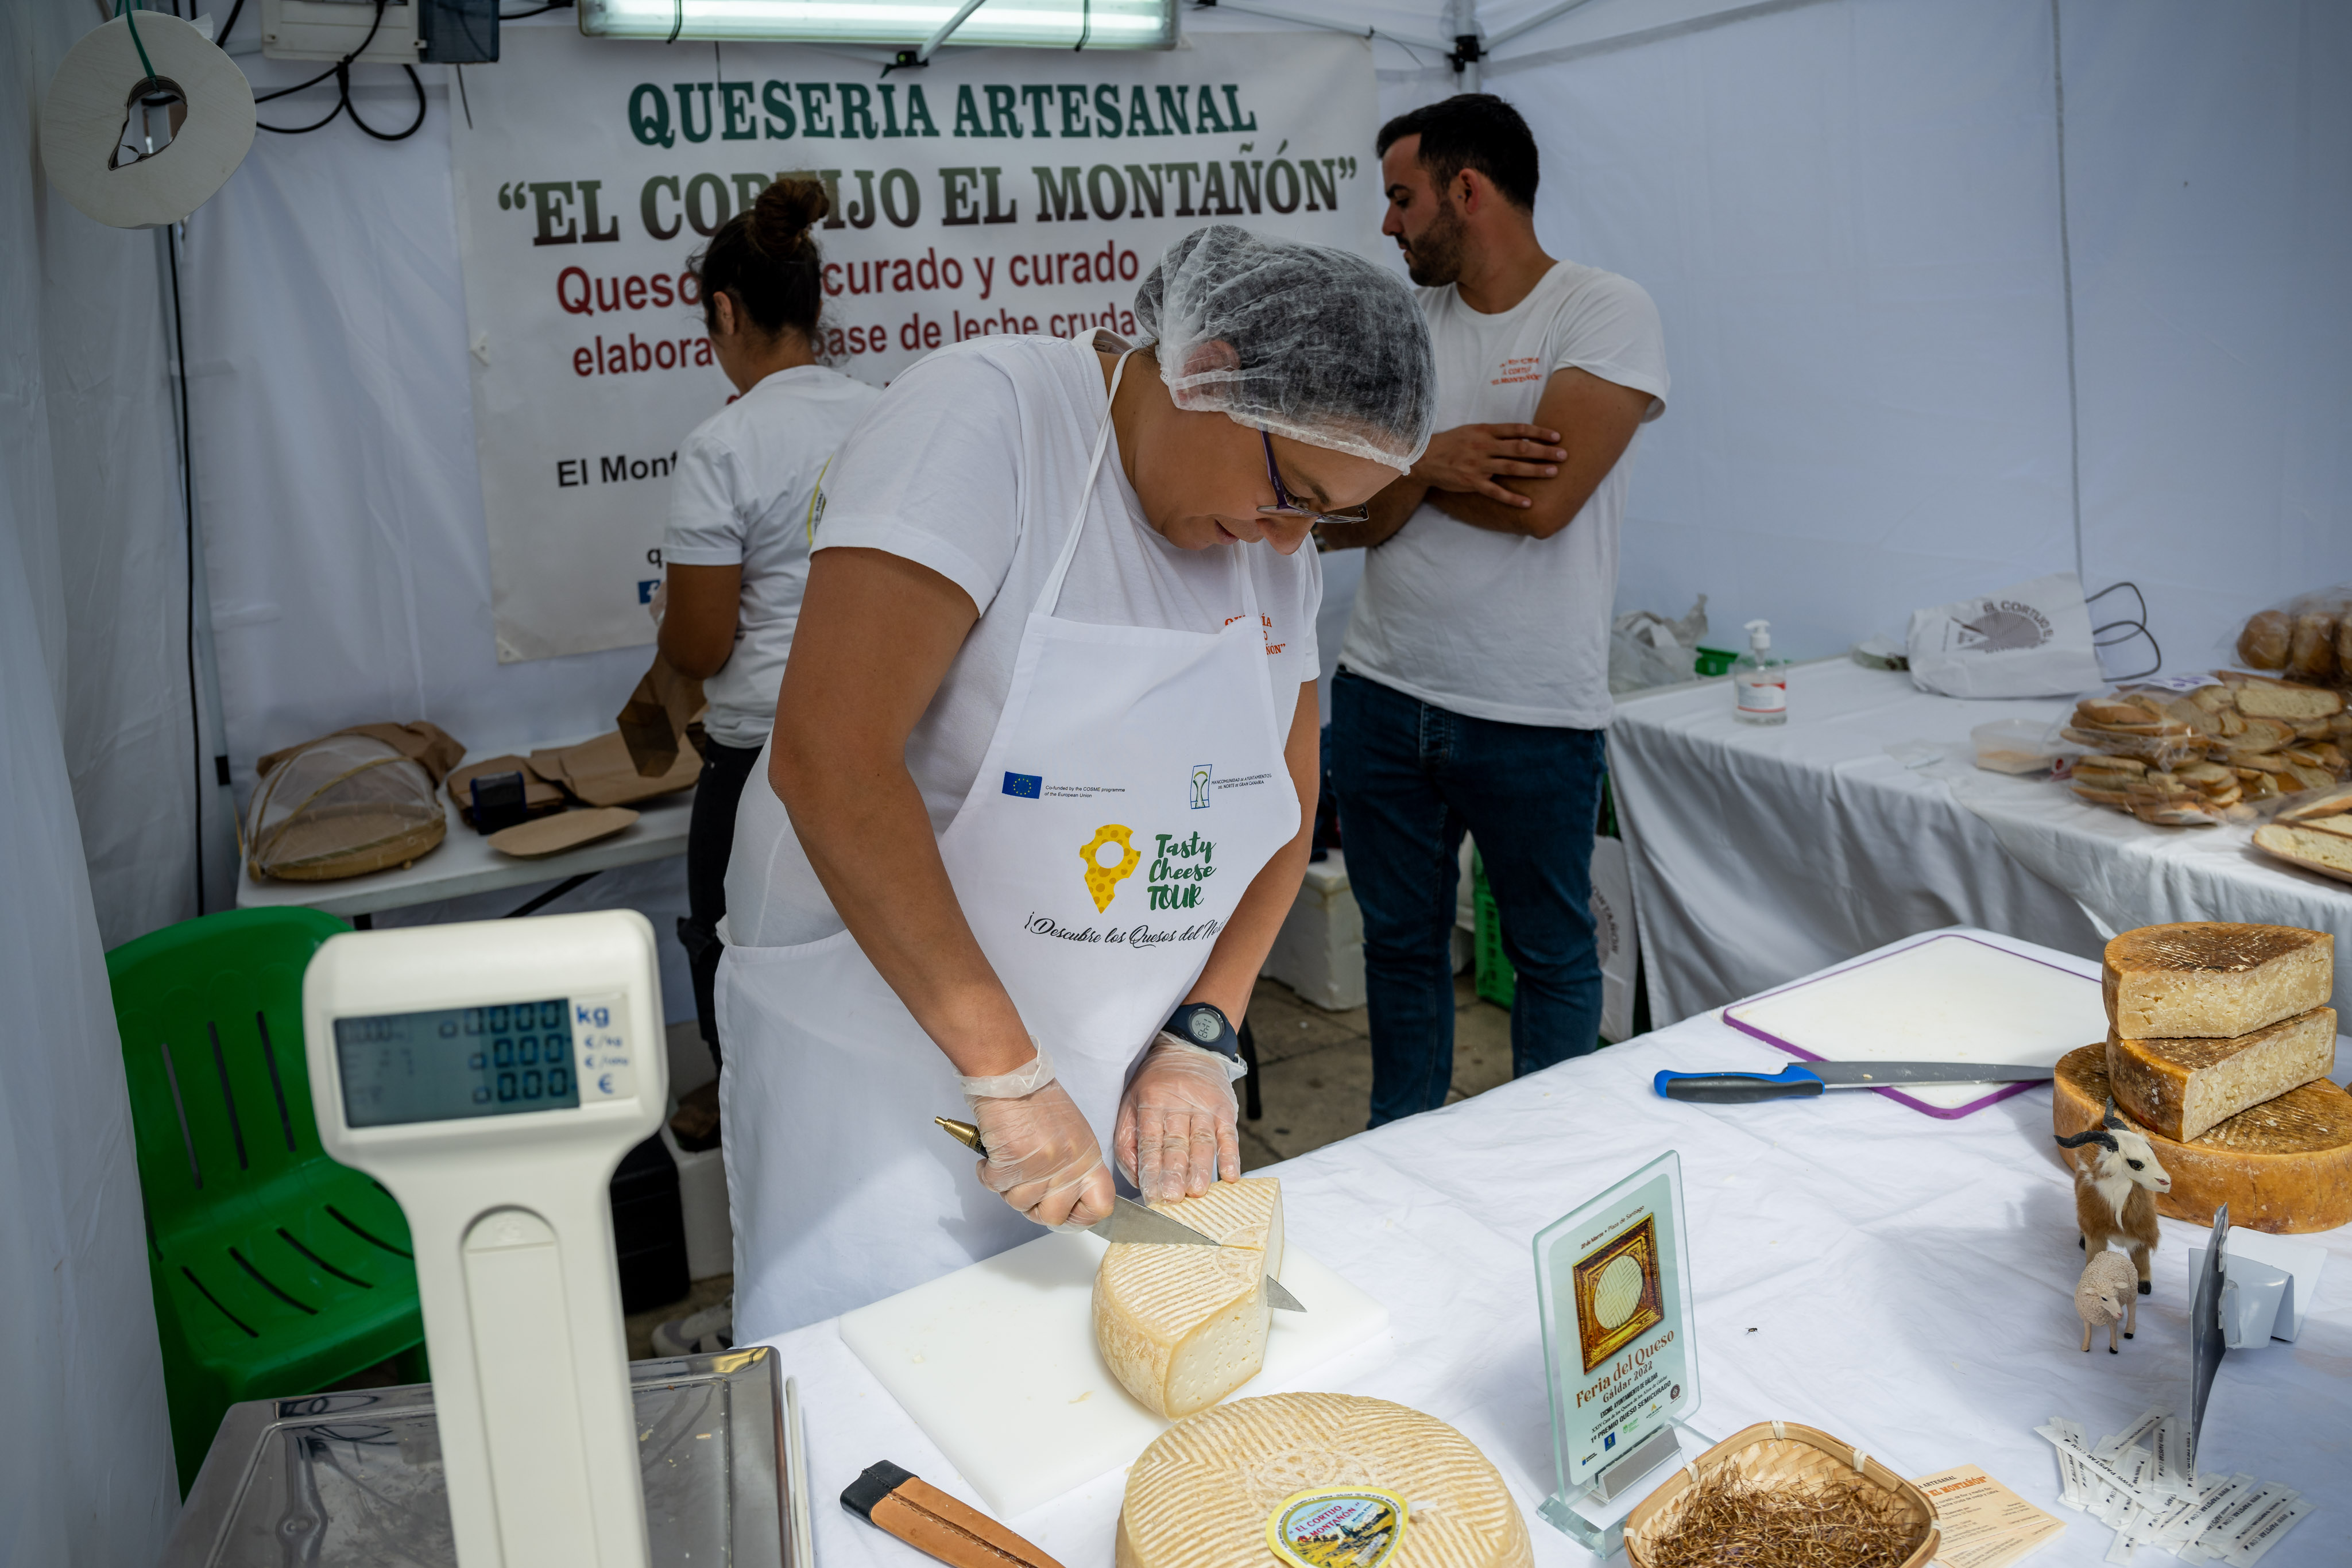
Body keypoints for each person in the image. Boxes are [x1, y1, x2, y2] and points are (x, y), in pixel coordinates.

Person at [717, 225, 1435, 1339]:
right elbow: (832, 760)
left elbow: (1279, 816)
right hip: (886, 1054)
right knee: (881, 1371)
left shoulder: (1263, 538)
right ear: (1203, 370)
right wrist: (1003, 1071)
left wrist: (1203, 1033)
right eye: (1291, 492)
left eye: (1327, 519)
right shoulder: (991, 415)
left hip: (1108, 1063)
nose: (1290, 546)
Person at [1317, 95, 1669, 1127]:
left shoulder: (1601, 310)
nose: (1387, 224)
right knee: (1401, 949)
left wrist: (1406, 474)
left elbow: (1544, 502)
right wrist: (1427, 461)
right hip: (1382, 694)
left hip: (1529, 712)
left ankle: (1538, 1173)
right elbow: (1355, 517)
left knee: (1553, 958)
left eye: (1400, 197)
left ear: (1465, 191)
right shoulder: (1402, 325)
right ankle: (1401, 1156)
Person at [647, 179, 878, 1357]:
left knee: (744, 987)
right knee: (876, 998)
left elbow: (697, 642)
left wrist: (663, 680)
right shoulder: (888, 415)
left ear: (729, 313)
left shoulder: (723, 442)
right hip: (892, 759)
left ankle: (772, 1285)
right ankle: (873, 1255)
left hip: (763, 776)